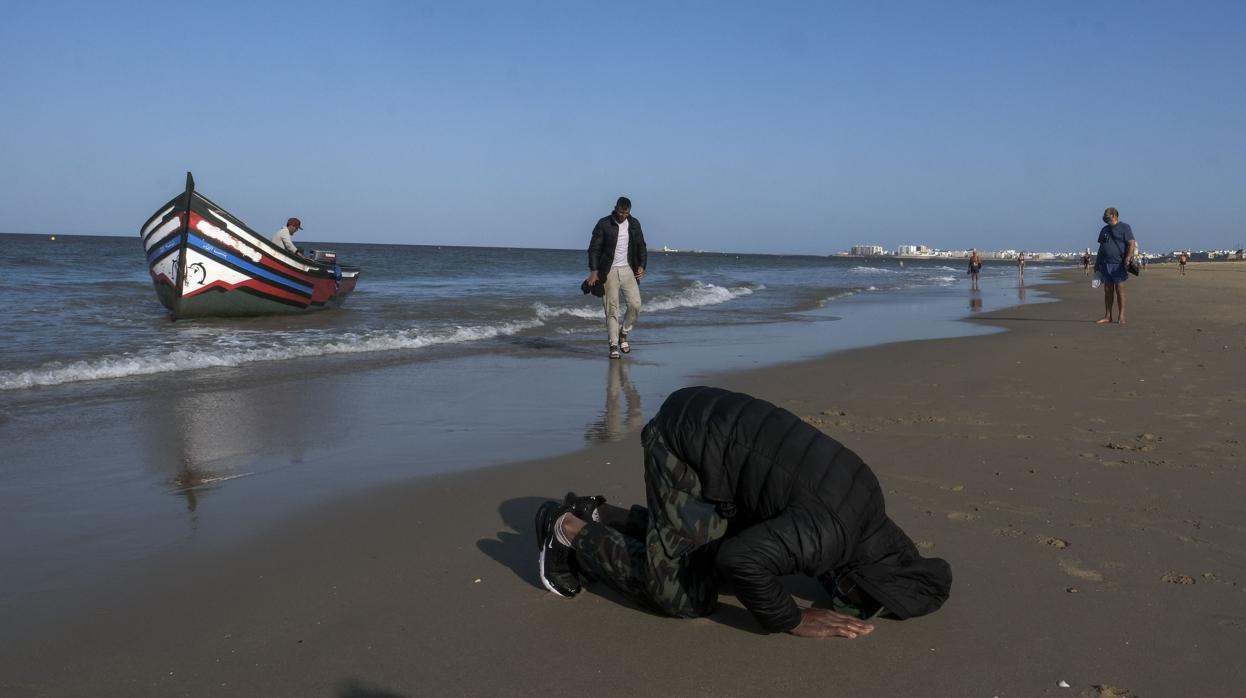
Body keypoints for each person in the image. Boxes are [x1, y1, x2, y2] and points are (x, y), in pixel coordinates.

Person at [535, 386, 953, 638]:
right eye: (861, 600)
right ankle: (565, 527)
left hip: (714, 423)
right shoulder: (829, 535)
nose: (844, 602)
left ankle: (602, 515)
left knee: (712, 558)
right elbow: (742, 559)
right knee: (685, 596)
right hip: (683, 441)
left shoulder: (869, 505)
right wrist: (790, 618)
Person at [585, 197, 647, 359]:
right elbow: (594, 248)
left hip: (628, 270)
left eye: (626, 213)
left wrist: (642, 266)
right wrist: (594, 270)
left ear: (629, 211)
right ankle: (613, 345)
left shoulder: (634, 224)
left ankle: (623, 334)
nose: (622, 215)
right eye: (620, 212)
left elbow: (641, 245)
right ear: (615, 208)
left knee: (635, 305)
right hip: (609, 271)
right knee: (612, 310)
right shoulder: (604, 223)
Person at [1093, 207, 1137, 324]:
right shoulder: (1104, 230)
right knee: (1108, 290)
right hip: (1105, 264)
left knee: (1119, 290)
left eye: (1106, 215)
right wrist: (1097, 264)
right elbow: (1101, 248)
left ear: (1113, 215)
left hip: (1119, 264)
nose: (1103, 217)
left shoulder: (1124, 227)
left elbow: (1132, 244)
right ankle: (1108, 316)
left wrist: (1128, 258)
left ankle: (1121, 316)